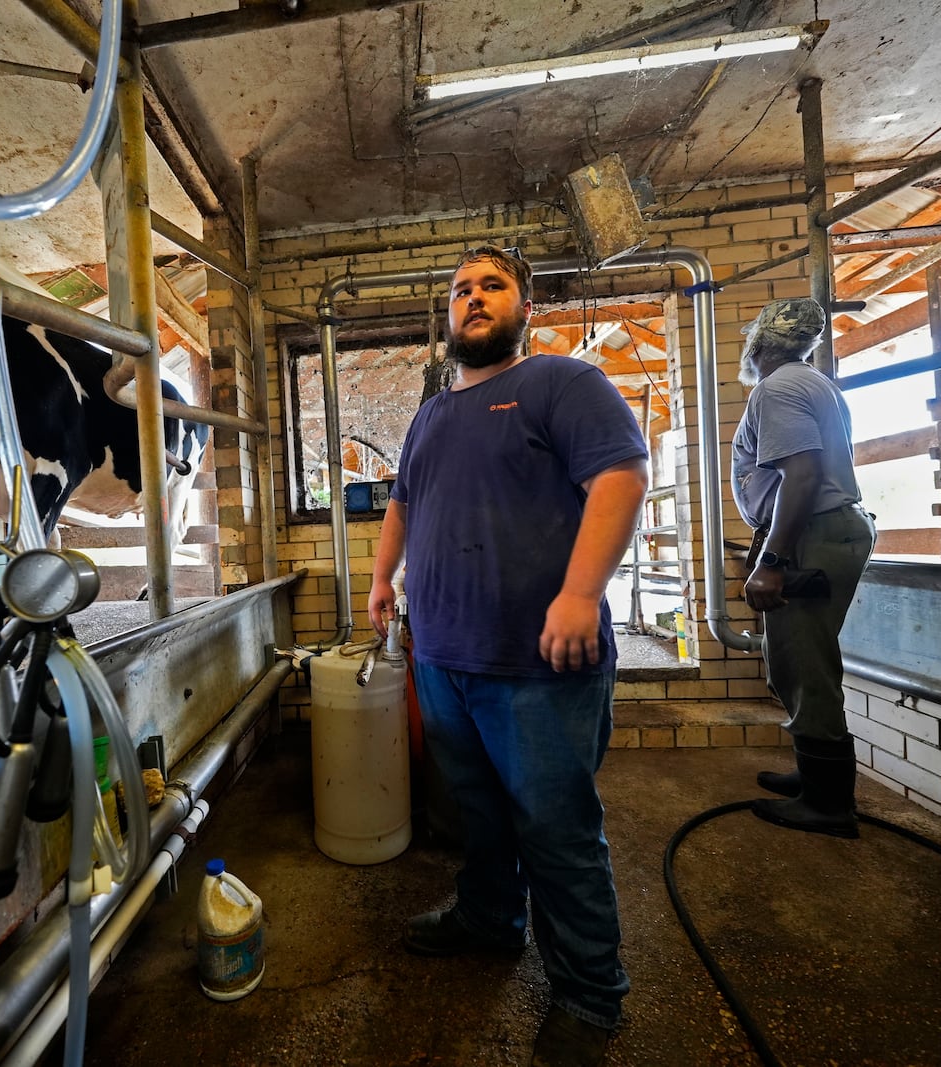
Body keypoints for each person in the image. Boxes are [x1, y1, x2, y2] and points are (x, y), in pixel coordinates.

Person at [367, 246, 649, 1067]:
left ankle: (591, 996)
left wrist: (581, 593)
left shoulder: (563, 383)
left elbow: (623, 479)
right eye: (460, 290)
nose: (474, 298)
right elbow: (402, 502)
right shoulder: (429, 415)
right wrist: (383, 579)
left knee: (557, 832)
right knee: (478, 814)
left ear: (526, 307)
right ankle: (490, 920)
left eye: (493, 285)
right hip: (443, 654)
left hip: (538, 662)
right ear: (447, 315)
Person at [731, 297, 878, 838]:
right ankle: (813, 777)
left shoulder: (779, 387)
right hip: (824, 529)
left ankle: (828, 805)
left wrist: (772, 559)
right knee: (799, 657)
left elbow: (802, 474)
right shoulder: (815, 383)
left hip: (811, 533)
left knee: (803, 664)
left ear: (762, 343)